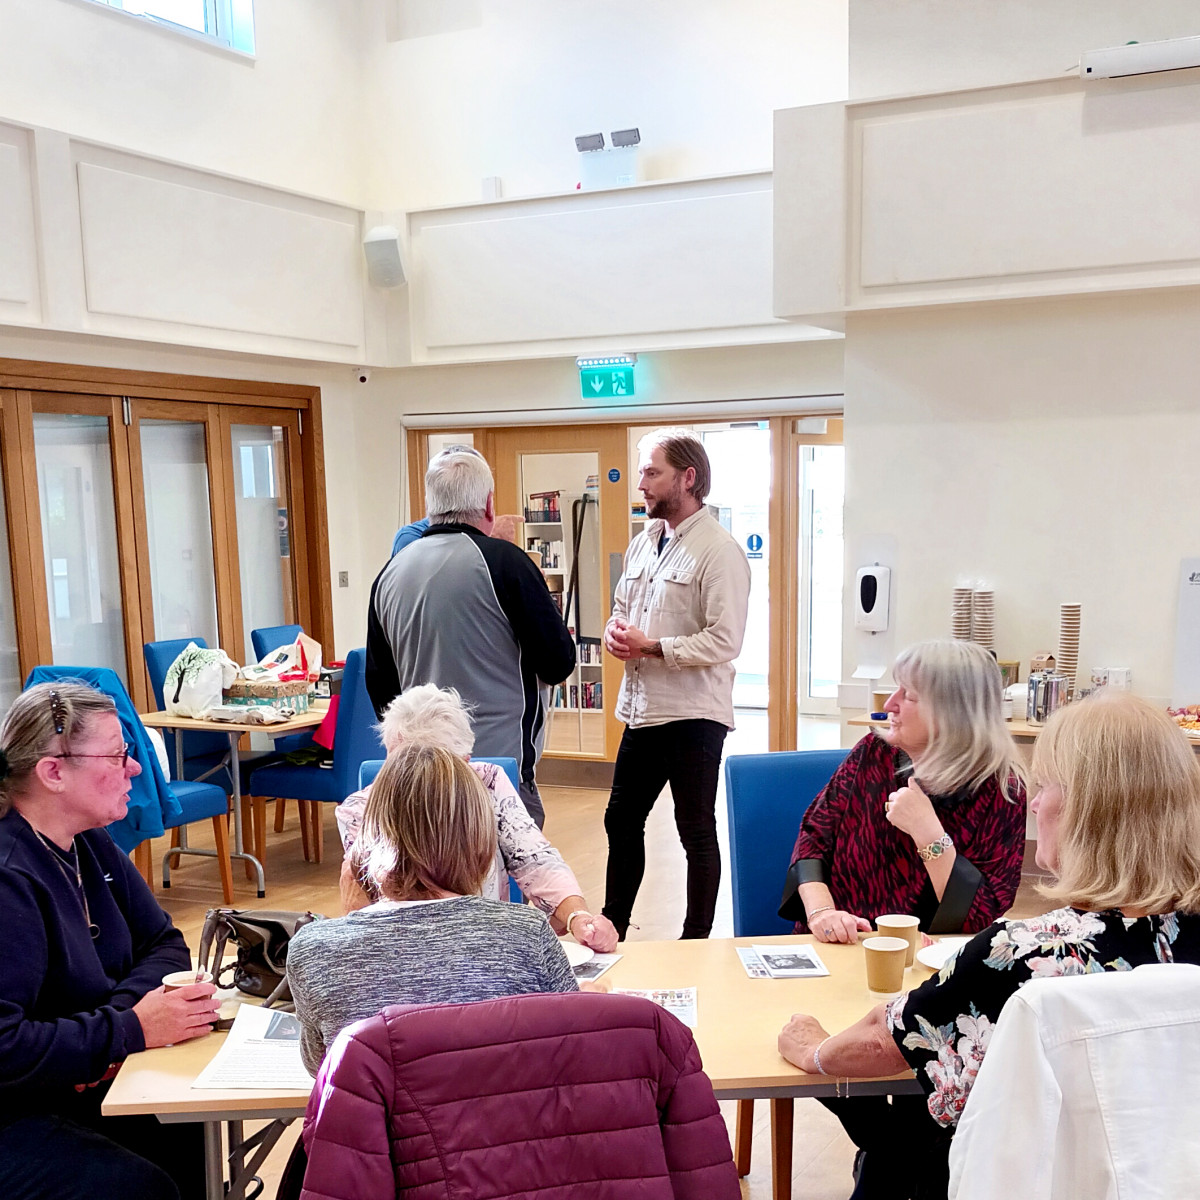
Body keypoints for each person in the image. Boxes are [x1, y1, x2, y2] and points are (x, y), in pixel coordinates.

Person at [778, 692, 1200, 1200]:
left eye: (1047, 786)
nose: (1037, 801)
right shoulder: (870, 757)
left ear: (1089, 811)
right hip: (1165, 1173)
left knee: (902, 1120)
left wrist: (814, 1049)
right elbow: (813, 837)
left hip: (1029, 1178)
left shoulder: (1022, 951)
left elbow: (883, 1041)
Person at [0, 681, 221, 1200]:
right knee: (141, 1187)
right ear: (53, 772)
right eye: (119, 753)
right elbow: (5, 1047)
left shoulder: (89, 842)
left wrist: (124, 1027)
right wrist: (127, 1030)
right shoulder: (9, 878)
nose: (136, 768)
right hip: (15, 1108)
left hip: (75, 1076)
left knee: (190, 1131)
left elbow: (165, 944)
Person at [287, 742, 579, 1076]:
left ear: (371, 837)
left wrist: (353, 917)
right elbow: (566, 1051)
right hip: (501, 1125)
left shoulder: (314, 950)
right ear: (481, 844)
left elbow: (323, 1070)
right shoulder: (526, 933)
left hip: (382, 1128)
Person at [366, 445, 575, 827]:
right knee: (502, 881)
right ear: (489, 506)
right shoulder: (507, 563)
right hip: (498, 771)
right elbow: (558, 661)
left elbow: (381, 688)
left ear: (430, 506)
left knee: (429, 883)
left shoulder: (390, 575)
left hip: (419, 774)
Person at [601, 429, 751, 941]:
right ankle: (611, 928)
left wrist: (653, 648)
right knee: (620, 820)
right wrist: (616, 635)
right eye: (643, 471)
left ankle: (695, 940)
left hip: (693, 716)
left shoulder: (719, 550)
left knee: (696, 833)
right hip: (642, 711)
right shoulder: (644, 543)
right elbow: (623, 611)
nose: (641, 483)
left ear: (687, 479)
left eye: (651, 472)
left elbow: (725, 640)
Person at [335, 683, 618, 952]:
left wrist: (578, 917)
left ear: (465, 761)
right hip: (409, 951)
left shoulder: (488, 782)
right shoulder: (360, 810)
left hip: (490, 942)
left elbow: (534, 859)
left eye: (436, 770)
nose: (416, 781)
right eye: (401, 766)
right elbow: (372, 915)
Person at [783, 639, 1027, 943]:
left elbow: (981, 916)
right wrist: (822, 913)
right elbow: (813, 837)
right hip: (841, 943)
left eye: (908, 695)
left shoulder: (1001, 792)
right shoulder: (874, 752)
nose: (889, 705)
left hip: (925, 962)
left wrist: (928, 833)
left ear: (950, 712)